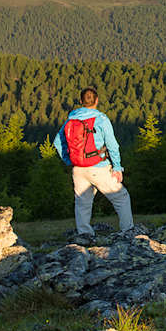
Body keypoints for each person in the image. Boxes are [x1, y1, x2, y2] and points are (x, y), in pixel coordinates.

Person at [53, 87, 133, 241]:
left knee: (82, 203)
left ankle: (85, 236)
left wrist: (70, 160)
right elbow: (112, 145)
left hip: (78, 168)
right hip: (98, 166)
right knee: (121, 197)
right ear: (96, 100)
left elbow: (58, 142)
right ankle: (128, 233)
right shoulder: (101, 119)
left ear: (81, 102)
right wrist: (117, 167)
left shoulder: (71, 119)